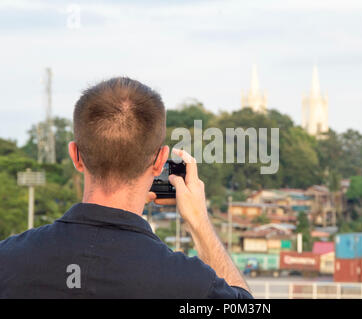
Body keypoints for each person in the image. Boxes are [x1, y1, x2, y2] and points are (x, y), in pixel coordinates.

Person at [0, 77, 252, 299]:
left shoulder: (8, 260)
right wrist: (200, 223)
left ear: (76, 155)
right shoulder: (189, 282)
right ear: (159, 161)